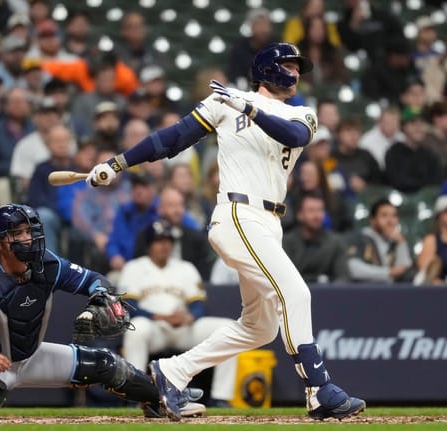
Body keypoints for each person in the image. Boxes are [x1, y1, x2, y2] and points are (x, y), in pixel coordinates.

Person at [84, 42, 365, 421]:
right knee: (296, 293)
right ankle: (319, 389)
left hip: (269, 221)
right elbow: (172, 139)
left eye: (299, 67)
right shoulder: (223, 103)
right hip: (237, 213)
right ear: (268, 69)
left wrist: (246, 105)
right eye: (290, 65)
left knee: (259, 327)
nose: (297, 72)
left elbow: (292, 136)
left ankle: (173, 372)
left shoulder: (303, 113)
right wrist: (117, 163)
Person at [0, 204, 205, 420]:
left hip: (30, 354)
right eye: (17, 234)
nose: (28, 238)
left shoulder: (47, 264)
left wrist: (100, 293)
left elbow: (90, 278)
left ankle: (159, 400)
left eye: (28, 231)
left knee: (105, 364)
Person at [121, 219, 237, 407]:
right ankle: (135, 395)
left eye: (168, 240)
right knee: (136, 329)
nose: (164, 245)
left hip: (184, 327)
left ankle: (221, 397)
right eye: (159, 240)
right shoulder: (134, 267)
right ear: (150, 244)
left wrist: (190, 316)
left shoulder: (185, 267)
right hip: (155, 327)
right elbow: (129, 306)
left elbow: (198, 303)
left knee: (228, 328)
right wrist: (159, 317)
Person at [346, 198, 414, 283]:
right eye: (384, 215)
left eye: (394, 216)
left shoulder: (397, 242)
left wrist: (401, 244)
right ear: (373, 220)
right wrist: (388, 272)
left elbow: (404, 270)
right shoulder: (359, 238)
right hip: (365, 291)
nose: (390, 220)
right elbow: (352, 268)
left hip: (392, 292)